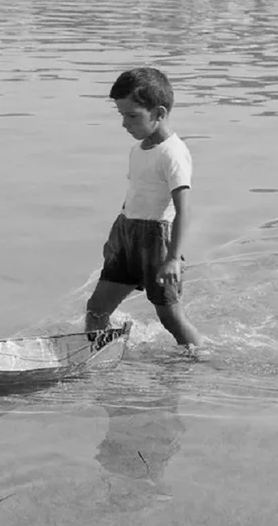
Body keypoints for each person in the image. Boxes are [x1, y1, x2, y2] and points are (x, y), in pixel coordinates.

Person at [86, 67, 201, 347]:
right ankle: (99, 354)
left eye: (132, 116)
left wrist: (173, 258)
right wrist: (115, 238)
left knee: (170, 317)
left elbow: (183, 209)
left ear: (159, 113)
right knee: (96, 309)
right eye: (122, 115)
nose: (125, 124)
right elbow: (134, 195)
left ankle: (197, 358)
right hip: (127, 235)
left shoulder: (172, 154)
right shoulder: (138, 150)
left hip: (156, 240)